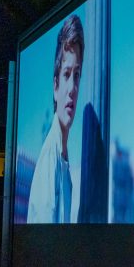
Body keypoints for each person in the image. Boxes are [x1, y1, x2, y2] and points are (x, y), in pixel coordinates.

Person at [27, 15, 84, 224]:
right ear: (55, 86)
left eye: (77, 75)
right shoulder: (50, 156)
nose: (72, 89)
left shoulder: (62, 156)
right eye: (66, 74)